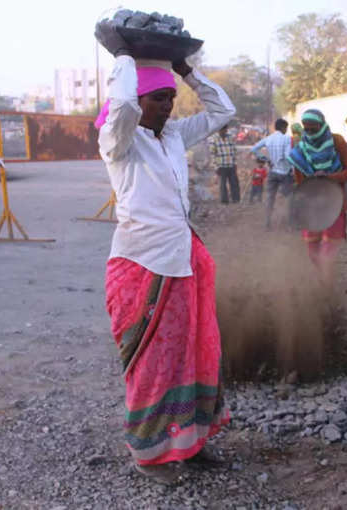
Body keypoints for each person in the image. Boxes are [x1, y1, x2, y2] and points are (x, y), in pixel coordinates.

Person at [94, 24, 236, 484]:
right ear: (140, 100)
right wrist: (123, 59)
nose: (167, 104)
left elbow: (223, 109)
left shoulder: (174, 136)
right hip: (143, 266)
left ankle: (189, 442)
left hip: (183, 262)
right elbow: (122, 106)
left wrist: (185, 71)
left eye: (170, 97)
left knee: (193, 354)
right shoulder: (120, 142)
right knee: (153, 365)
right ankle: (149, 453)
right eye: (159, 98)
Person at [288, 109, 347, 285]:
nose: (310, 132)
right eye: (306, 129)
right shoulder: (299, 149)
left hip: (334, 202)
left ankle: (326, 293)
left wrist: (329, 178)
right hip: (311, 206)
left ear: (322, 125)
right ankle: (325, 285)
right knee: (312, 253)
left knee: (327, 254)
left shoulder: (337, 141)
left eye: (313, 128)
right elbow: (300, 181)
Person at [251, 118, 293, 229]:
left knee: (270, 197)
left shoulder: (268, 139)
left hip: (272, 171)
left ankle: (267, 223)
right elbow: (288, 156)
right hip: (285, 172)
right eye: (286, 128)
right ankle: (289, 224)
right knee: (289, 197)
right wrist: (293, 166)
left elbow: (254, 149)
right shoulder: (286, 138)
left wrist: (265, 159)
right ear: (284, 128)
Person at [209, 124, 239, 204]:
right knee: (222, 185)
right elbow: (212, 154)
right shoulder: (213, 139)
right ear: (219, 130)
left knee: (234, 183)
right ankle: (224, 201)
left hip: (231, 165)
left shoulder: (230, 137)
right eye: (222, 130)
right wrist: (215, 166)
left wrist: (235, 162)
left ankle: (236, 199)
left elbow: (235, 151)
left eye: (225, 129)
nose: (224, 131)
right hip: (221, 166)